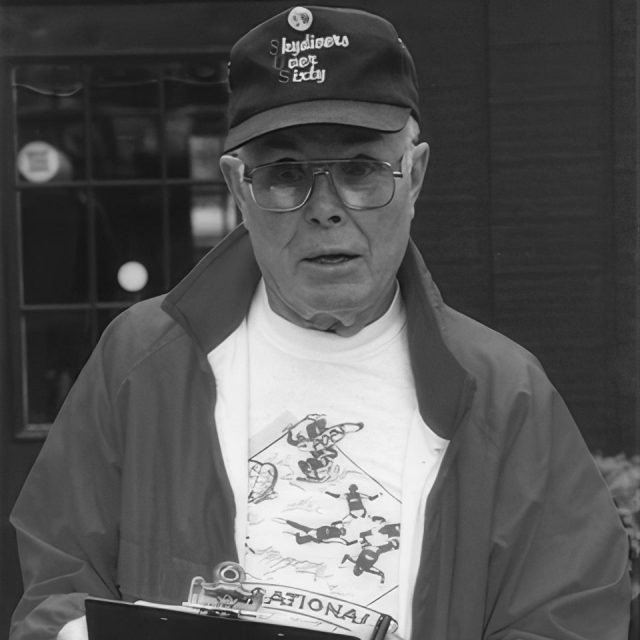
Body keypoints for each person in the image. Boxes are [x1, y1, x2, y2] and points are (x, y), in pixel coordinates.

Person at [9, 6, 632, 640]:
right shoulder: (142, 359)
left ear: (414, 175)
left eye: (361, 169)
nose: (327, 210)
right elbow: (61, 587)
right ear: (237, 187)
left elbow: (569, 614)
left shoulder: (505, 391)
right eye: (285, 175)